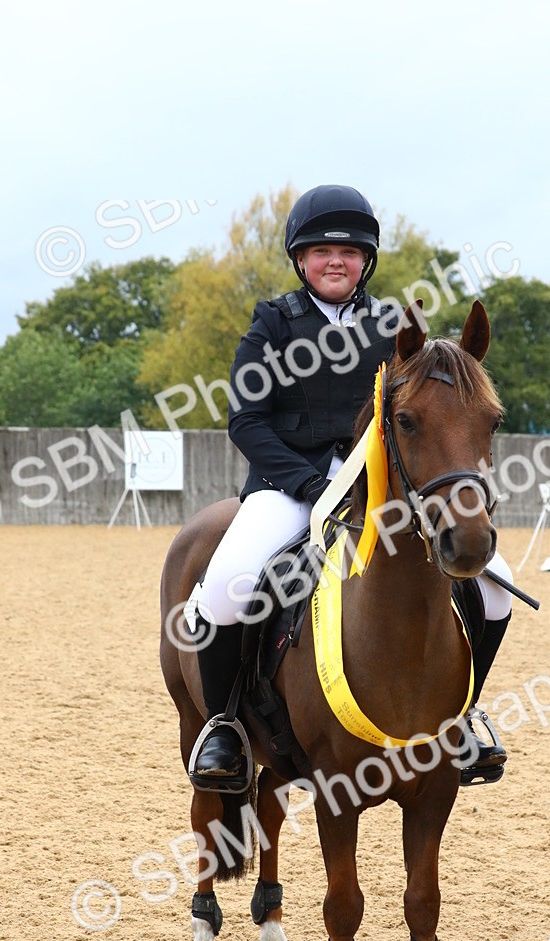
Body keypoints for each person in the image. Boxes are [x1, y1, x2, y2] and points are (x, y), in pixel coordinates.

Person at [189, 184, 513, 788]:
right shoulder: (271, 325)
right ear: (299, 260)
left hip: (378, 488)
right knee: (229, 586)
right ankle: (226, 725)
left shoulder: (392, 329)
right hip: (288, 488)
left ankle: (464, 716)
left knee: (498, 588)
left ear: (366, 261)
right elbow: (246, 420)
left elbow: (427, 410)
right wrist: (308, 482)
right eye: (320, 250)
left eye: (349, 251)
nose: (335, 260)